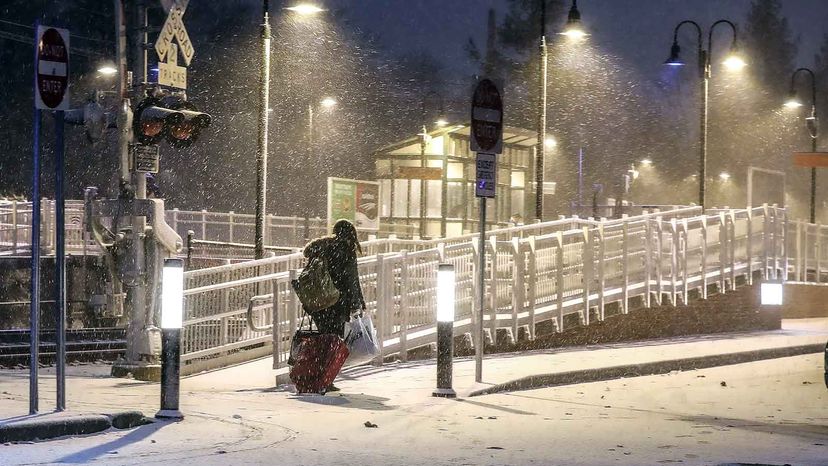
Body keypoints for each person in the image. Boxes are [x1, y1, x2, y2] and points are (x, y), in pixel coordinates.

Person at [302, 219, 366, 391]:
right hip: (337, 302)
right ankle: (326, 380)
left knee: (322, 339)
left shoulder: (322, 247)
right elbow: (351, 279)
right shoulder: (346, 250)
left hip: (319, 302)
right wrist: (357, 303)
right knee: (333, 342)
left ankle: (314, 376)